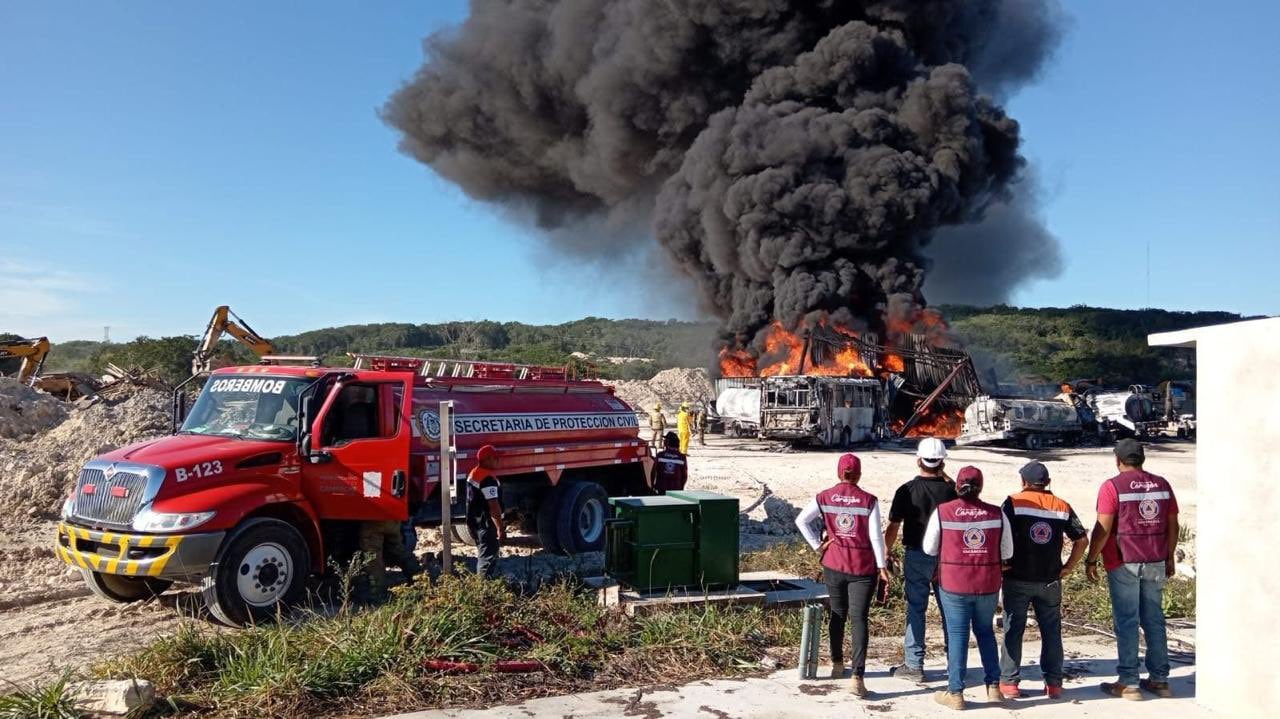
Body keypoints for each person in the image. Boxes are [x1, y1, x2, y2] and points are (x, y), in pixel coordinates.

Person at [1086, 439, 1180, 700]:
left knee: (1127, 621)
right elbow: (1173, 524)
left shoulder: (1112, 486)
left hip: (1123, 562)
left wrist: (1091, 558)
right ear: (1142, 459)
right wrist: (1169, 555)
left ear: (1118, 460)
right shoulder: (1162, 485)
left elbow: (1103, 528)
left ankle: (1129, 683)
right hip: (1155, 559)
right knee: (1154, 619)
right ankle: (1160, 681)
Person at [795, 453, 891, 698]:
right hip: (861, 567)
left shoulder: (824, 496)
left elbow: (801, 520)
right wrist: (882, 566)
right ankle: (858, 677)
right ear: (859, 474)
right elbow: (876, 537)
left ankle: (837, 664)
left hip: (834, 563)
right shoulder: (869, 500)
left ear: (839, 473)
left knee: (837, 614)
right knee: (859, 618)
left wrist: (818, 545)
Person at [924, 466, 1014, 710]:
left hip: (954, 584)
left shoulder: (943, 512)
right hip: (987, 583)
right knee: (985, 632)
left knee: (957, 635)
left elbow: (928, 548)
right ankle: (994, 687)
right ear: (981, 487)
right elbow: (1008, 552)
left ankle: (956, 693)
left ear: (957, 486)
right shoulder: (997, 514)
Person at [997, 461, 1088, 700]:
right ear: (1047, 483)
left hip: (1017, 578)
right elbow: (1081, 540)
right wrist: (1068, 566)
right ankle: (1054, 683)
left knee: (1013, 629)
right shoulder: (1062, 506)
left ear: (1023, 482)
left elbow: (999, 534)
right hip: (1050, 580)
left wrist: (1001, 564)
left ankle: (1009, 682)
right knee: (1051, 632)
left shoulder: (1013, 503)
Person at [883, 437, 957, 682]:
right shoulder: (952, 490)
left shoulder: (906, 490)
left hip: (917, 555)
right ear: (942, 462)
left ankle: (914, 666)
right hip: (947, 557)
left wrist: (885, 551)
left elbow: (894, 526)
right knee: (950, 611)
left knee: (916, 608)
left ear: (918, 460)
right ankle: (955, 663)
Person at [356, 518, 422, 603]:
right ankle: (420, 579)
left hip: (374, 518)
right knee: (398, 549)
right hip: (392, 518)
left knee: (373, 559)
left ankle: (379, 594)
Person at [466, 444, 506, 579]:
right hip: (486, 525)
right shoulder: (487, 479)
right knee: (487, 560)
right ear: (488, 459)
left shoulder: (475, 473)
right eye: (496, 458)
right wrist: (500, 527)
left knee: (483, 554)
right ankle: (484, 590)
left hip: (476, 523)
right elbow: (493, 506)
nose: (498, 461)